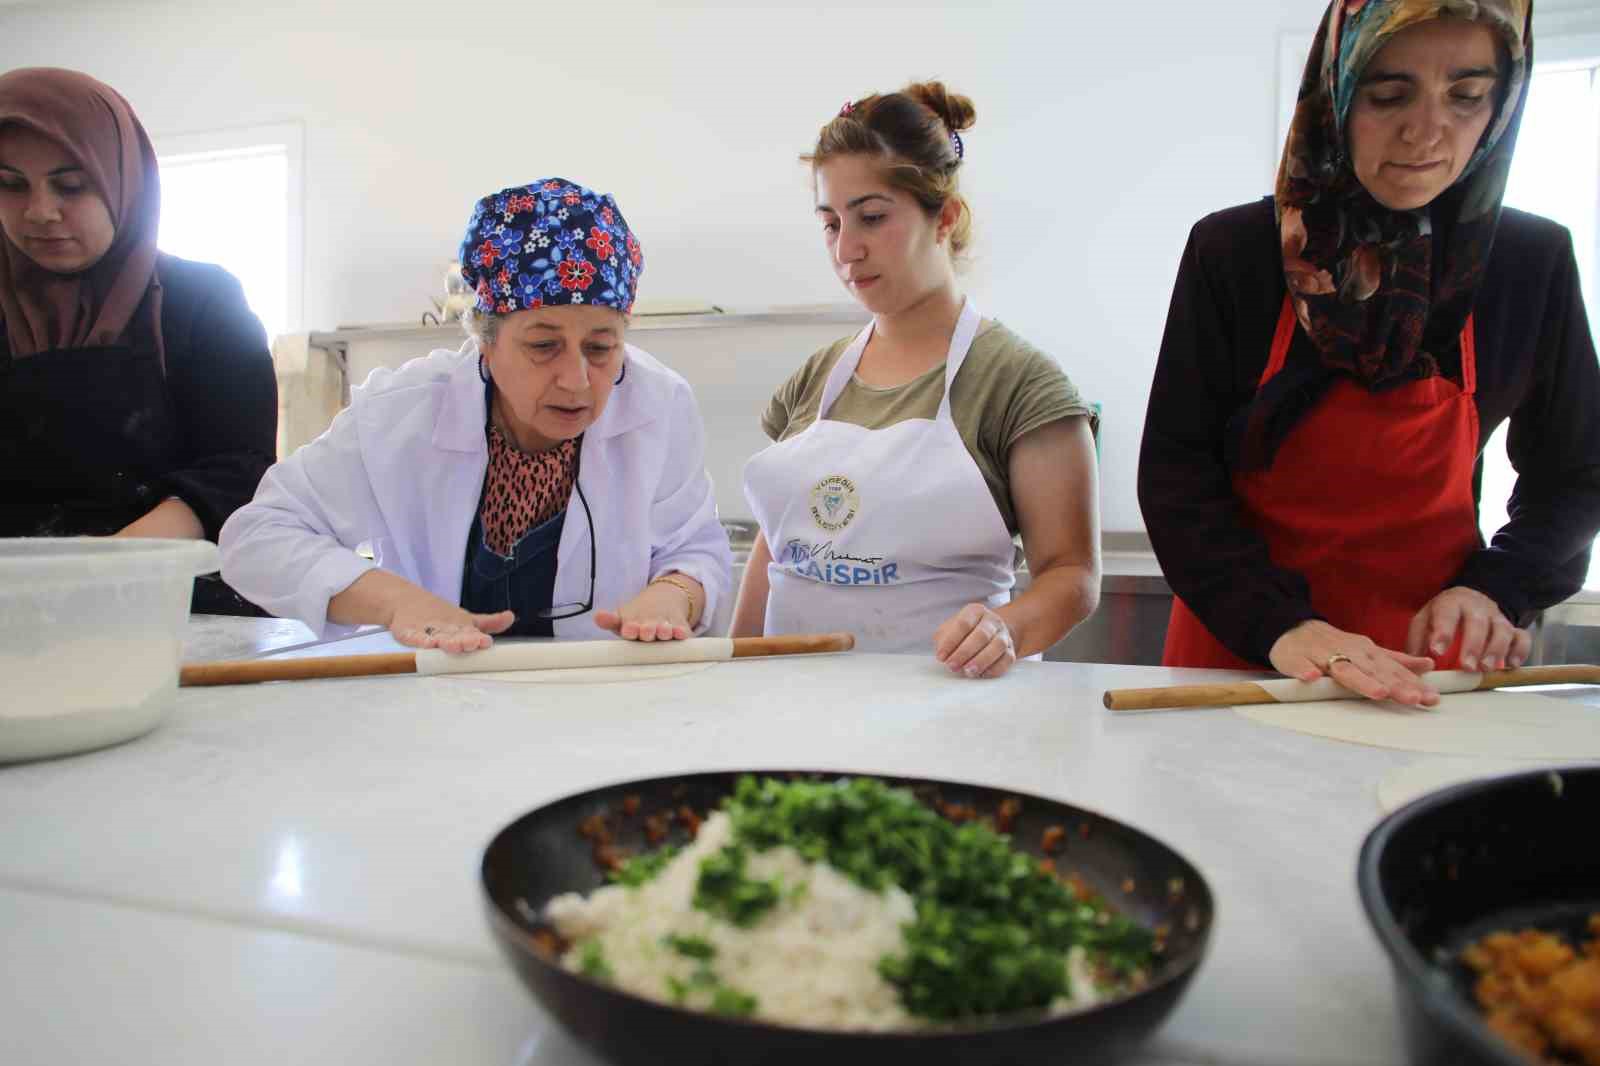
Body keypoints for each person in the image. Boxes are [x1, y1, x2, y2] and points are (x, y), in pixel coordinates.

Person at [1139, 0, 1600, 706]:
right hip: (1247, 654)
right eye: (1389, 94)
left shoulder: (1529, 264)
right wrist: (1285, 626)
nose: (1426, 131)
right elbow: (1177, 475)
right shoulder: (1236, 254)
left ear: (1503, 101)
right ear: (1337, 88)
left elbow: (1577, 475)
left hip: (1426, 668)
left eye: (1468, 96)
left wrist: (1497, 587)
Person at [220, 178, 732, 651]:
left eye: (601, 348)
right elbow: (257, 536)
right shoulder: (400, 415)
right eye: (544, 345)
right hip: (438, 699)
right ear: (485, 341)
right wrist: (395, 600)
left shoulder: (658, 405)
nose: (576, 380)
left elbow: (696, 548)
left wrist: (674, 595)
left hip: (596, 699)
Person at [732, 82, 1101, 679]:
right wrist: (734, 668)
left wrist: (1004, 628)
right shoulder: (817, 377)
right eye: (830, 224)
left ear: (945, 218)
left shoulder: (1020, 384)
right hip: (787, 708)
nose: (847, 250)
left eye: (872, 218)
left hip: (946, 714)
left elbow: (1072, 575)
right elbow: (777, 548)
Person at [0, 67, 277, 614]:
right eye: (9, 184)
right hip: (16, 609)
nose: (40, 211)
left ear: (122, 178)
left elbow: (242, 469)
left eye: (72, 184)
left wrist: (112, 562)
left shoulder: (202, 300)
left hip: (175, 603)